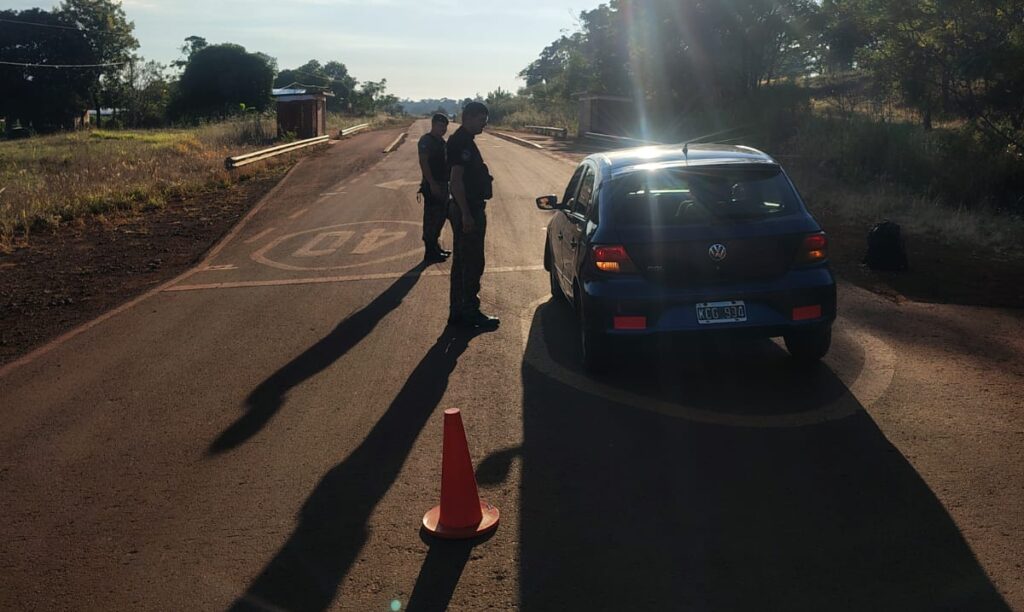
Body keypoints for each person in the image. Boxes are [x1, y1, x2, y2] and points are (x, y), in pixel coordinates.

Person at [446, 102, 498, 329]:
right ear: (468, 117)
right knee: (472, 262)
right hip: (468, 209)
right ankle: (469, 312)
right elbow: (456, 181)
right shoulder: (461, 142)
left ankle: (458, 311)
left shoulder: (463, 140)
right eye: (481, 120)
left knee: (462, 262)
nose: (483, 125)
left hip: (466, 208)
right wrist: (466, 214)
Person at [417, 113, 452, 263]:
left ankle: (435, 248)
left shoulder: (441, 141)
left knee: (440, 217)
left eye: (445, 126)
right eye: (440, 125)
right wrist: (432, 183)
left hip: (443, 183)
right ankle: (430, 252)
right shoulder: (426, 141)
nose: (443, 129)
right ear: (433, 125)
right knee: (431, 218)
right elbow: (423, 162)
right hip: (433, 184)